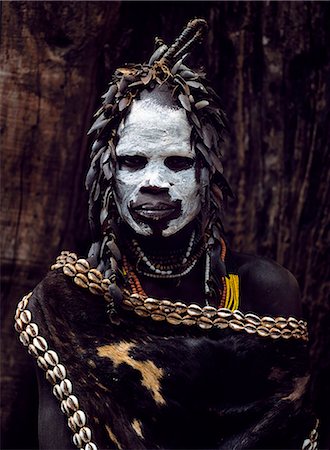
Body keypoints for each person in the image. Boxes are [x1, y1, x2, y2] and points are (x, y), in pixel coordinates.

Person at [14, 19, 318, 450]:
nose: (154, 182)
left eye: (177, 163)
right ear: (107, 175)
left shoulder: (263, 292)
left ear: (207, 172)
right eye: (133, 162)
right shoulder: (69, 306)